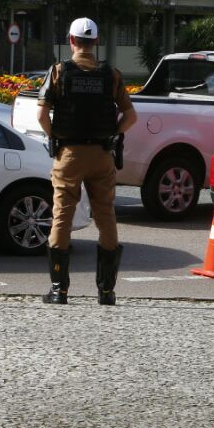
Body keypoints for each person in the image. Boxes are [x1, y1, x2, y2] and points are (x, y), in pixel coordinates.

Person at [37, 17, 137, 305]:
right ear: (96, 42)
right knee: (105, 216)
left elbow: (41, 115)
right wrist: (113, 135)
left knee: (62, 216)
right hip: (102, 155)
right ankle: (106, 292)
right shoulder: (112, 75)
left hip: (69, 155)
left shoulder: (58, 72)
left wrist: (53, 136)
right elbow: (131, 116)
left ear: (71, 40)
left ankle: (59, 290)